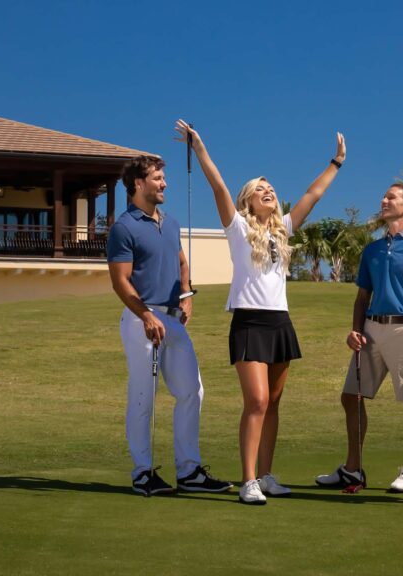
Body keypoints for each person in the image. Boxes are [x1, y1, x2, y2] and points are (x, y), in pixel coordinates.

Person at [175, 119, 346, 505]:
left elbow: (312, 195)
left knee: (274, 404)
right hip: (249, 322)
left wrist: (335, 163)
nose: (267, 192)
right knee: (257, 402)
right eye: (259, 190)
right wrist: (199, 147)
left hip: (280, 323)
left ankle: (266, 475)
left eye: (270, 189)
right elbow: (218, 185)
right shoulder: (236, 228)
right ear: (248, 201)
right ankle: (248, 479)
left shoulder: (283, 230)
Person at [107, 154, 233, 496]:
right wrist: (145, 315)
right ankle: (142, 472)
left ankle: (189, 471)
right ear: (138, 183)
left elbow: (180, 261)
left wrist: (187, 294)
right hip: (140, 320)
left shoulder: (171, 223)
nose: (165, 183)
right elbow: (121, 282)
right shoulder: (124, 227)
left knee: (193, 390)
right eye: (158, 178)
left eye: (164, 177)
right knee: (143, 396)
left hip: (172, 320)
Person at [315, 184, 403, 494]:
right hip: (370, 331)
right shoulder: (372, 250)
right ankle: (353, 469)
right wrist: (355, 329)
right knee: (350, 397)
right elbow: (361, 298)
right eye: (383, 197)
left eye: (391, 197)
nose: (383, 201)